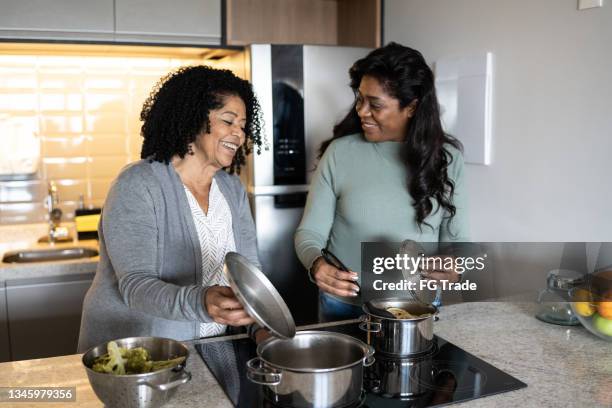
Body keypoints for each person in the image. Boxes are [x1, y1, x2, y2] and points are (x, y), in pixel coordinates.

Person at [78, 66, 264, 351]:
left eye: (242, 125)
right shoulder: (138, 184)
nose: (238, 133)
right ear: (192, 120)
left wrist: (261, 328)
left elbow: (250, 275)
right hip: (137, 357)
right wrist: (202, 302)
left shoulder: (232, 190)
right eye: (228, 121)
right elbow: (136, 287)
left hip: (213, 351)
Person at [294, 43, 470, 322]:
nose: (362, 111)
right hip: (345, 306)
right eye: (360, 99)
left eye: (374, 104)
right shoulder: (340, 152)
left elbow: (459, 243)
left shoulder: (448, 160)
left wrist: (454, 266)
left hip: (416, 310)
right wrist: (317, 264)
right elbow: (310, 233)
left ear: (411, 107)